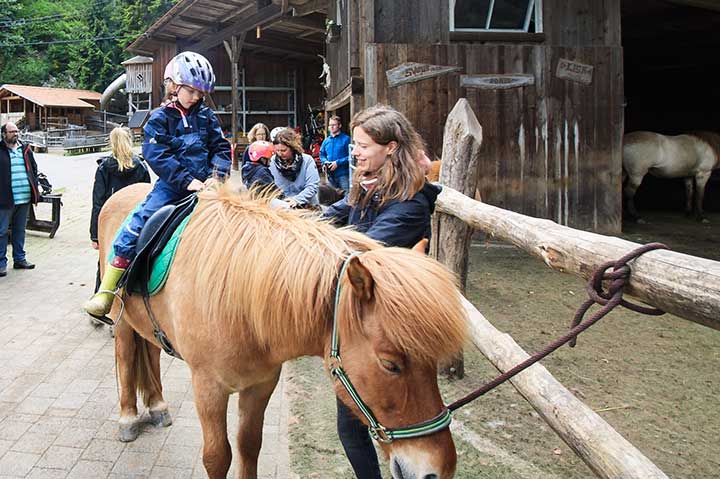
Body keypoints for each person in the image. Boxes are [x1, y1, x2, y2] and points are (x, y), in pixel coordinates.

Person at [324, 105, 441, 479]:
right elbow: (343, 208)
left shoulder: (409, 203)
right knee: (350, 424)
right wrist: (297, 216)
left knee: (396, 416)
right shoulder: (369, 182)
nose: (354, 152)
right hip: (367, 322)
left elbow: (361, 249)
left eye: (362, 145)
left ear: (390, 147)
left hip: (394, 330)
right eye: (354, 145)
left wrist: (314, 241)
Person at [83, 51, 231, 316]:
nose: (197, 97)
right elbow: (157, 155)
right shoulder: (159, 119)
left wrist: (216, 177)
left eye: (201, 92)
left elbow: (220, 148)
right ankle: (106, 290)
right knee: (136, 223)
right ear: (174, 86)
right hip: (172, 187)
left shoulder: (207, 117)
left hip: (210, 186)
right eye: (192, 90)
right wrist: (188, 181)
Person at [90, 127, 151, 292]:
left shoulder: (104, 168)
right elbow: (147, 196)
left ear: (112, 143)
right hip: (136, 222)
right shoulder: (141, 167)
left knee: (105, 261)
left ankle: (101, 296)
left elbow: (98, 202)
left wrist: (95, 234)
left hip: (111, 221)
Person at [0, 122, 39, 277]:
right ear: (4, 134)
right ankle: (1, 264)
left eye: (16, 131)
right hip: (5, 200)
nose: (15, 134)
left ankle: (20, 259)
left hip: (24, 198)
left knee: (20, 230)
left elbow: (34, 170)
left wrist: (35, 189)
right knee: (1, 232)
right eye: (11, 132)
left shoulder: (25, 150)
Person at [269, 128, 319, 208]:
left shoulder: (307, 160)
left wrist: (297, 200)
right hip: (282, 207)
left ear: (293, 147)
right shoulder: (271, 162)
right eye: (277, 150)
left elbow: (312, 186)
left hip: (307, 206)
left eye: (283, 150)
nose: (280, 154)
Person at [319, 115, 351, 193]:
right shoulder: (326, 141)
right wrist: (325, 161)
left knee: (347, 197)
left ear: (339, 126)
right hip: (330, 176)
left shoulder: (346, 139)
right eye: (330, 125)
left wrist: (338, 163)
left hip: (343, 174)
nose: (331, 127)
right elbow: (321, 154)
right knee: (331, 198)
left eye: (334, 125)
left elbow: (351, 156)